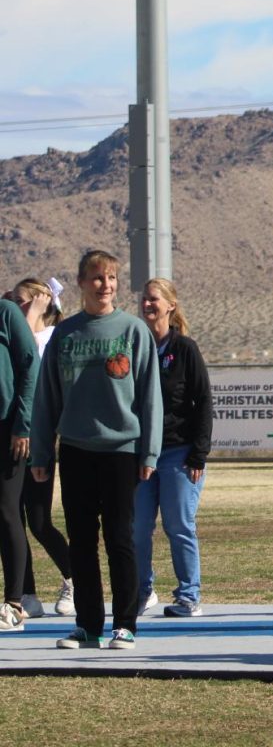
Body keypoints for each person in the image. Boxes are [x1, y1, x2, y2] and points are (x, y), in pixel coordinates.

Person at [30, 250, 162, 649]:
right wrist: (41, 453)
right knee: (82, 540)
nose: (106, 285)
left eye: (111, 278)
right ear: (82, 283)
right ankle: (88, 625)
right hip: (75, 450)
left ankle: (126, 624)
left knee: (120, 538)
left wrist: (149, 453)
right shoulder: (65, 334)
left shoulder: (133, 331)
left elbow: (149, 396)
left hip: (122, 450)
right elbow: (46, 398)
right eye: (97, 278)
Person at [133, 278, 213, 618]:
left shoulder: (184, 349)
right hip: (140, 454)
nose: (148, 305)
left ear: (170, 305)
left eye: (155, 299)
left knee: (178, 524)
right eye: (144, 299)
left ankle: (188, 595)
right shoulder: (134, 346)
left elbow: (204, 401)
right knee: (136, 527)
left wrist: (199, 453)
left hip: (179, 451)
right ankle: (140, 591)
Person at [10, 278, 73, 619]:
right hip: (12, 441)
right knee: (11, 521)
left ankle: (73, 579)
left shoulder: (50, 338)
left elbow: (35, 370)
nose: (14, 309)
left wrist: (33, 314)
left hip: (39, 442)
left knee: (38, 521)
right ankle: (26, 593)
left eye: (20, 302)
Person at [0, 297, 38, 632]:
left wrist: (22, 424)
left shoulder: (6, 312)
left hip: (7, 429)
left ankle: (15, 603)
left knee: (7, 512)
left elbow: (30, 364)